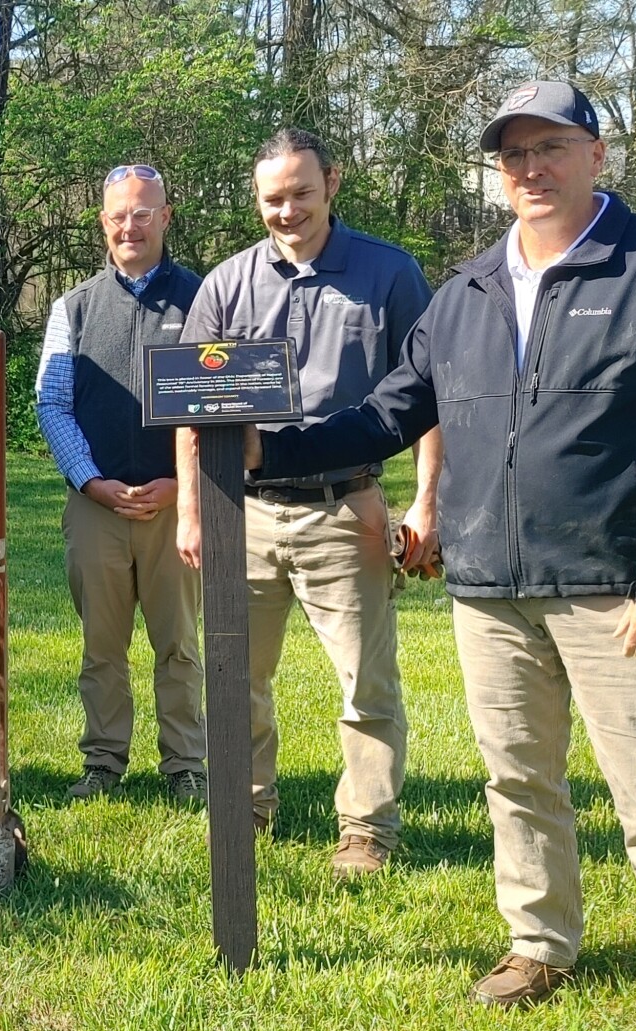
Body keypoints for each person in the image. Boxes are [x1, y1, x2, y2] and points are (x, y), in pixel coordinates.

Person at [247, 81, 636, 1031]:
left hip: (612, 587)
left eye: (548, 147)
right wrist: (265, 451)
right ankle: (537, 943)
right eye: (512, 153)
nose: (529, 167)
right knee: (516, 780)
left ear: (595, 155)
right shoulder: (464, 294)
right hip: (486, 587)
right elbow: (386, 411)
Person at [175, 128, 439, 880]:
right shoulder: (226, 284)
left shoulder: (389, 276)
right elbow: (191, 406)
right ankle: (247, 806)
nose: (286, 211)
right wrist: (193, 512)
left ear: (332, 182)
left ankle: (365, 827)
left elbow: (430, 398)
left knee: (366, 684)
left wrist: (426, 500)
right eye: (272, 199)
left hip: (344, 508)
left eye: (300, 193)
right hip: (243, 513)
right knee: (236, 677)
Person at [34, 164, 207, 804]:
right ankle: (103, 761)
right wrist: (91, 482)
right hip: (97, 507)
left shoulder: (206, 297)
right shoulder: (73, 307)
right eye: (117, 215)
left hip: (177, 507)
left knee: (180, 646)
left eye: (142, 212)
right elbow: (51, 404)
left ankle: (186, 763)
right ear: (103, 224)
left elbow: (217, 404)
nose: (129, 226)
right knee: (101, 648)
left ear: (165, 216)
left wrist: (181, 486)